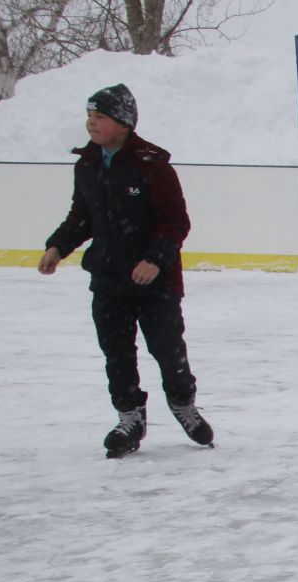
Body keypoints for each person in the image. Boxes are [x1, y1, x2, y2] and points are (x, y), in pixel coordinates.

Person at [39, 84, 214, 458]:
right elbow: (81, 216)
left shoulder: (151, 165)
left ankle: (183, 404)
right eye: (90, 116)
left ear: (123, 123)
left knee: (169, 351)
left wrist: (154, 260)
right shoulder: (87, 164)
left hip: (156, 282)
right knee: (116, 353)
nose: (91, 123)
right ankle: (129, 417)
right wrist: (58, 246)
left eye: (100, 117)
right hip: (108, 279)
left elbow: (175, 222)